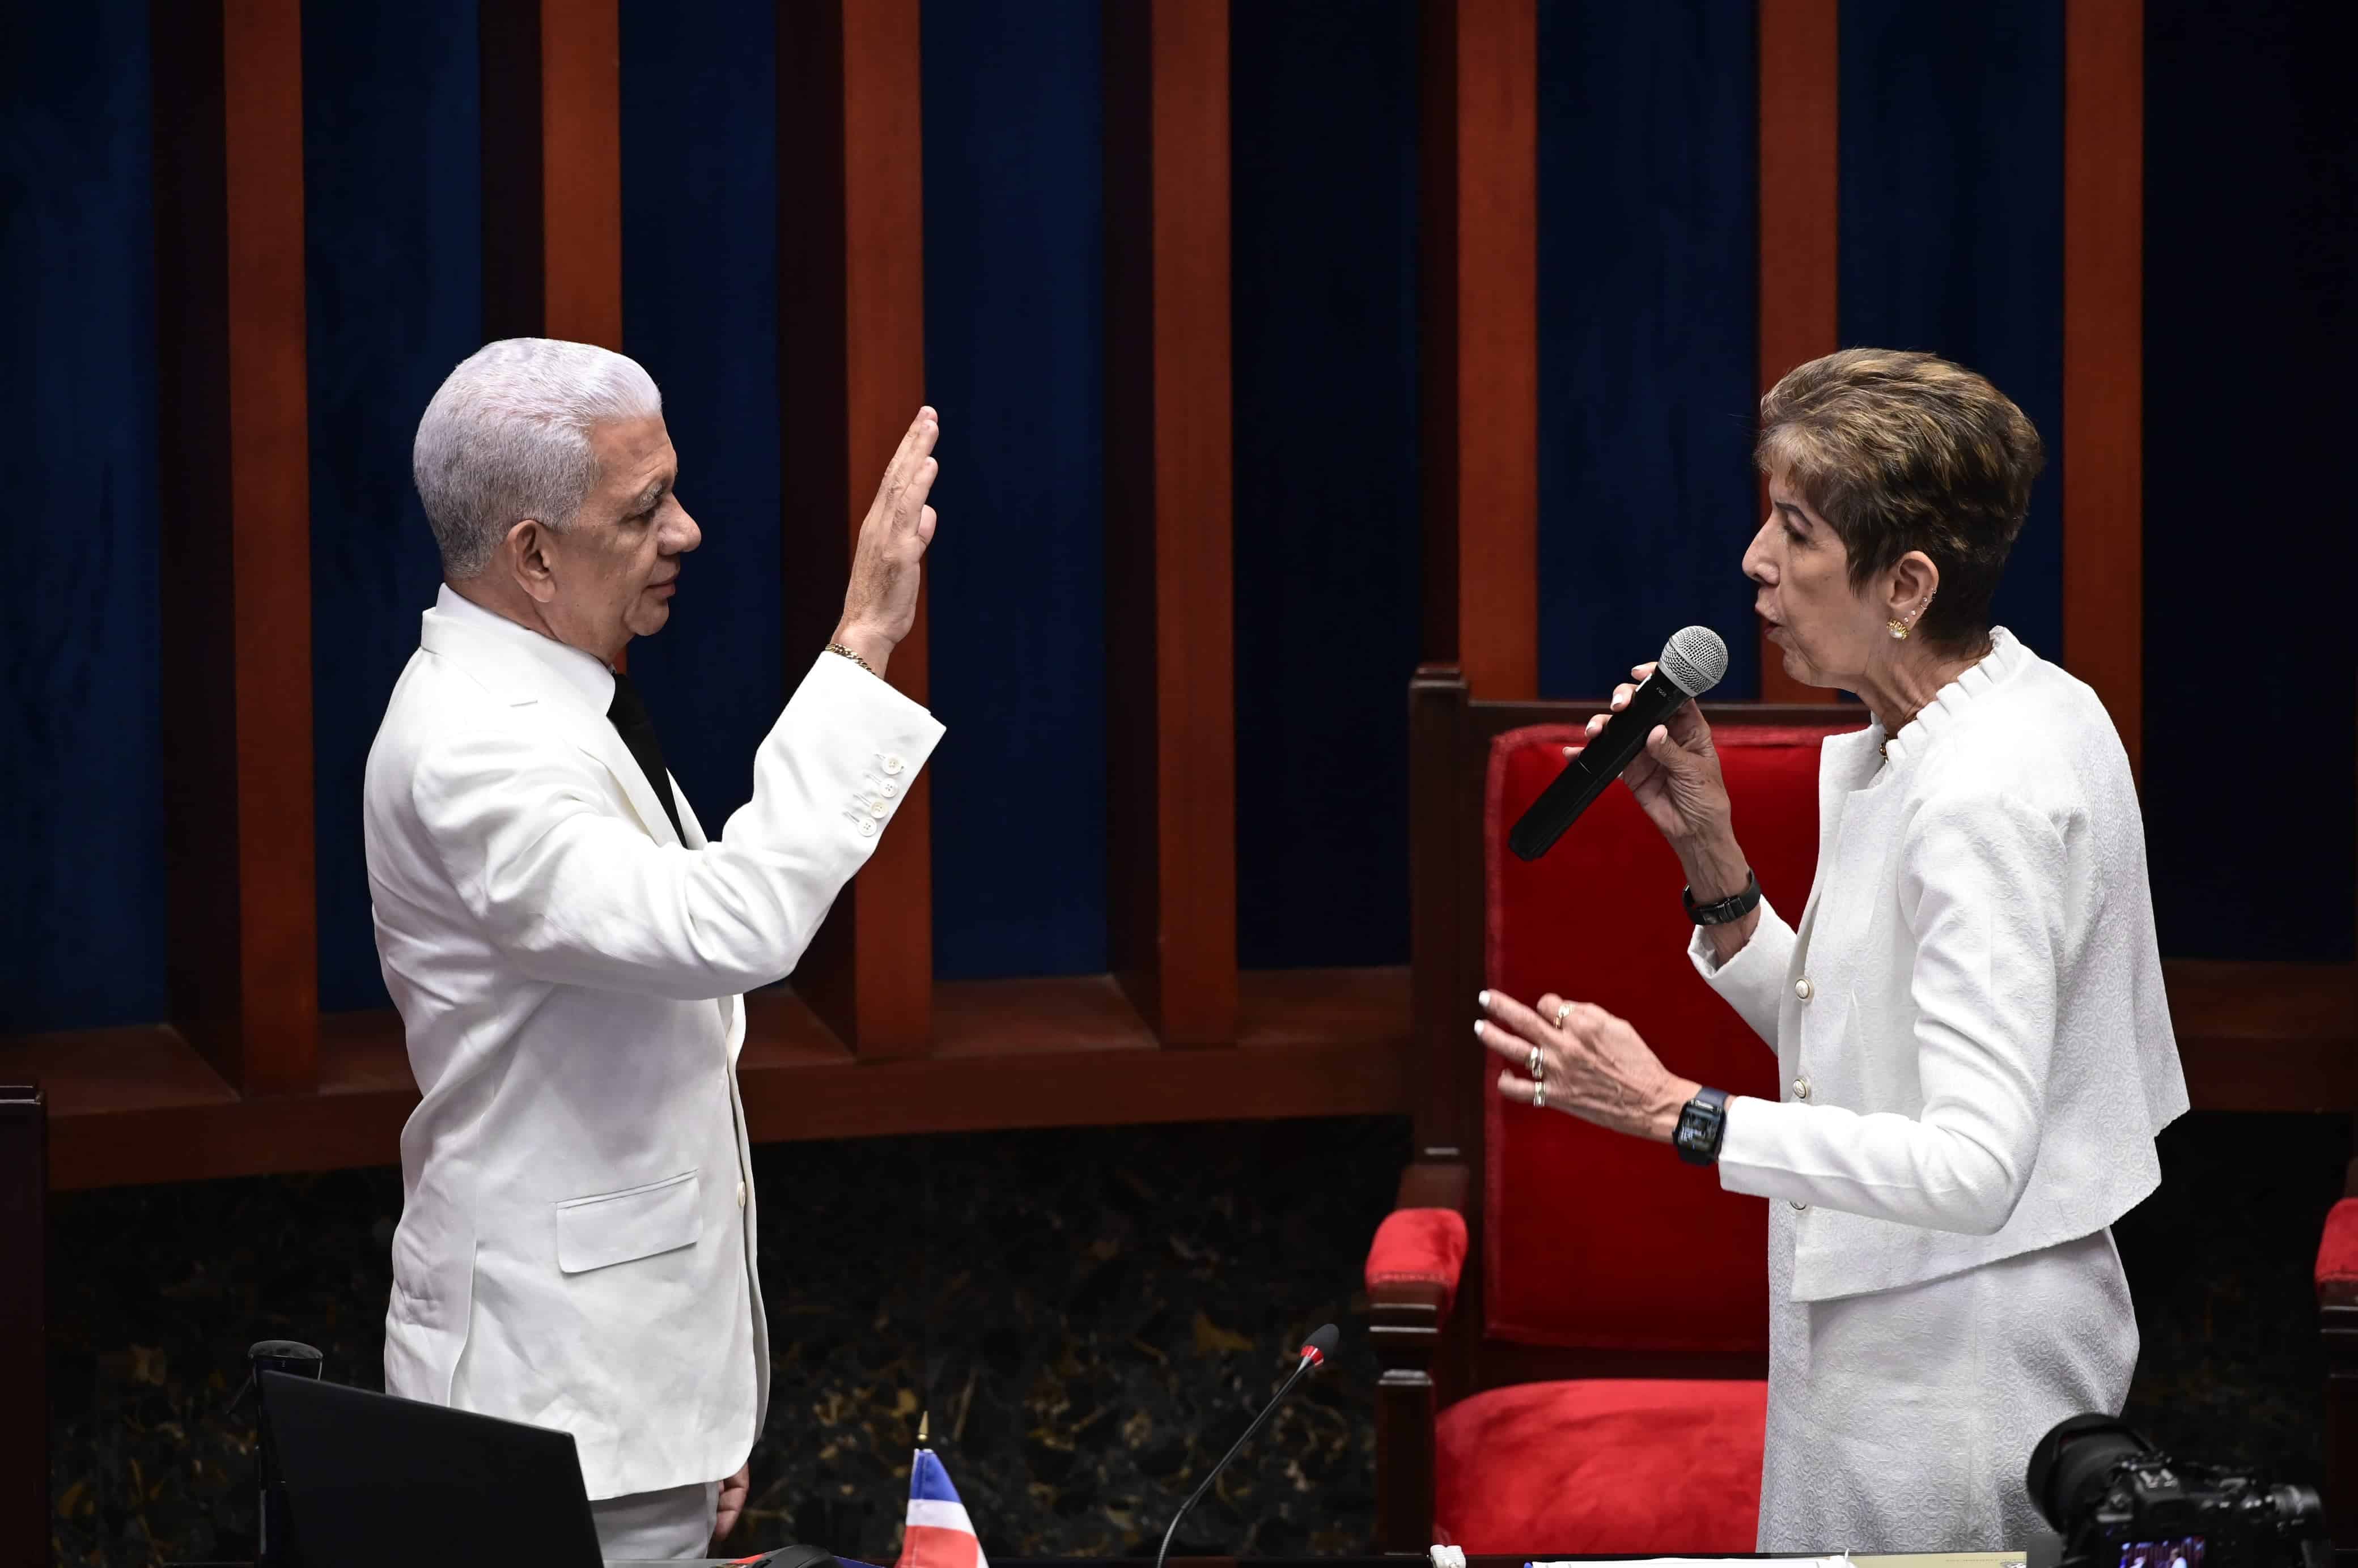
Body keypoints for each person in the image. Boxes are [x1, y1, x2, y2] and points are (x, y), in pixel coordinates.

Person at [1473, 349, 2188, 1551]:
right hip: (1892, 1320)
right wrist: (1712, 854)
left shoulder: (1985, 788)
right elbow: (1868, 1045)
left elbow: (1971, 1165)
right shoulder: (1993, 710)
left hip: (1956, 1370)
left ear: (1904, 580)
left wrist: (1676, 1112)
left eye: (1795, 529)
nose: (1756, 560)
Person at [364, 338, 945, 1560]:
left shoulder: (565, 690)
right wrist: (864, 640)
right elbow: (729, 925)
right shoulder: (479, 746)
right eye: (643, 510)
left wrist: (690, 1412)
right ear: (531, 553)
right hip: (550, 1414)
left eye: (672, 488)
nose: (686, 530)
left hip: (623, 1397)